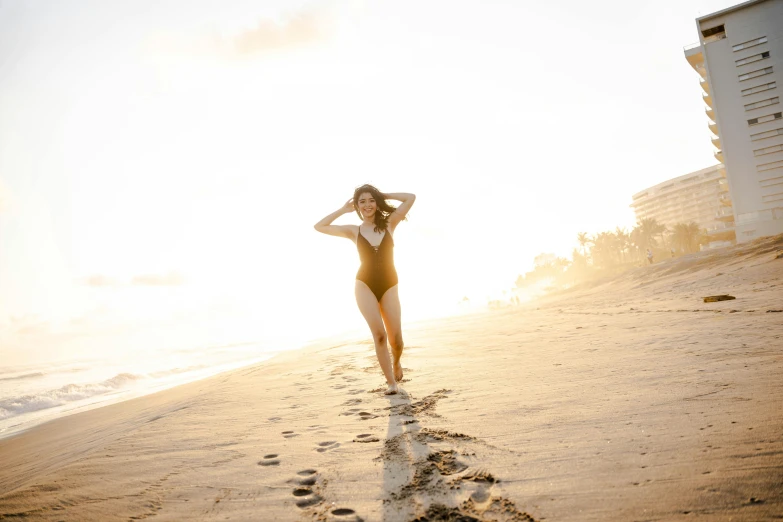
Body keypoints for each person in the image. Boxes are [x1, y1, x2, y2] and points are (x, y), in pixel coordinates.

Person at [314, 185, 416, 395]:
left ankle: (396, 362)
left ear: (376, 202)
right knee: (379, 335)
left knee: (396, 339)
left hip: (390, 285)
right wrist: (343, 210)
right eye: (362, 201)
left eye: (371, 200)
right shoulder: (354, 230)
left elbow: (410, 197)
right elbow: (319, 226)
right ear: (357, 206)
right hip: (364, 285)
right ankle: (391, 383)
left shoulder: (390, 223)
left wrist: (383, 195)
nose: (367, 205)